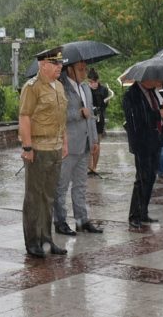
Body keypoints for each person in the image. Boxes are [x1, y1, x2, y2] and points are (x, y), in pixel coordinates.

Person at [18, 47, 69, 258]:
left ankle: (46, 240)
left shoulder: (58, 87)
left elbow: (61, 118)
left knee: (49, 197)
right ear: (43, 65)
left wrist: (64, 142)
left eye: (60, 64)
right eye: (56, 64)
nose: (60, 67)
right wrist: (27, 147)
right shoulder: (32, 87)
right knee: (34, 197)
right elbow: (25, 117)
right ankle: (32, 242)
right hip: (38, 149)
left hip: (55, 148)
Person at [53, 60, 102, 236]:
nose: (84, 71)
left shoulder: (86, 88)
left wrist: (95, 139)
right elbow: (58, 114)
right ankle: (60, 221)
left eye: (85, 68)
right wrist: (78, 114)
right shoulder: (60, 87)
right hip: (68, 145)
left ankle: (82, 220)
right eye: (81, 68)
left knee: (80, 185)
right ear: (70, 69)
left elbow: (91, 115)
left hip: (85, 143)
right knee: (61, 185)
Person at [123, 77, 163, 229]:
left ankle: (144, 211)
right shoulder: (132, 94)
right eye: (153, 77)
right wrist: (158, 114)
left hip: (155, 139)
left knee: (151, 176)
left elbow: (155, 110)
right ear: (144, 78)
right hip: (142, 141)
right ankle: (134, 214)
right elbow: (136, 118)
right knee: (142, 178)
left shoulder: (152, 92)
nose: (156, 80)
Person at [87, 68, 113, 175]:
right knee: (88, 143)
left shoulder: (103, 90)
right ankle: (89, 167)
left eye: (93, 82)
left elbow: (105, 106)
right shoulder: (86, 90)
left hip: (99, 119)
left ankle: (94, 166)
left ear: (97, 81)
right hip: (88, 118)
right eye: (90, 82)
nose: (91, 84)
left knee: (97, 143)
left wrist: (103, 104)